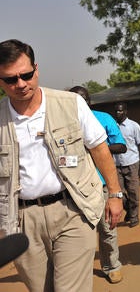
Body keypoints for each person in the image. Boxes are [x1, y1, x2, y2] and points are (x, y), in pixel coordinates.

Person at [0, 39, 123, 292]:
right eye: (11, 80)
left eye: (26, 75)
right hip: (22, 220)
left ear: (37, 69)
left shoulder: (70, 103)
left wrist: (114, 193)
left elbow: (99, 148)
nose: (21, 84)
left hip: (72, 210)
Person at [69, 86, 126, 284]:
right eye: (74, 99)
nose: (78, 103)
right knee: (76, 234)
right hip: (72, 188)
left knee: (107, 228)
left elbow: (121, 145)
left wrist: (95, 147)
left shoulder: (103, 118)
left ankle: (112, 265)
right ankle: (76, 274)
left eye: (82, 99)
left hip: (101, 184)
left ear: (89, 102)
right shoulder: (63, 121)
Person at [113, 102, 140, 228]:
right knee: (119, 193)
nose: (118, 113)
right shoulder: (112, 126)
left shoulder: (133, 126)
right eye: (116, 111)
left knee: (133, 192)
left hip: (132, 163)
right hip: (116, 164)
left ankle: (134, 216)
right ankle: (129, 209)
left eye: (120, 111)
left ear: (126, 111)